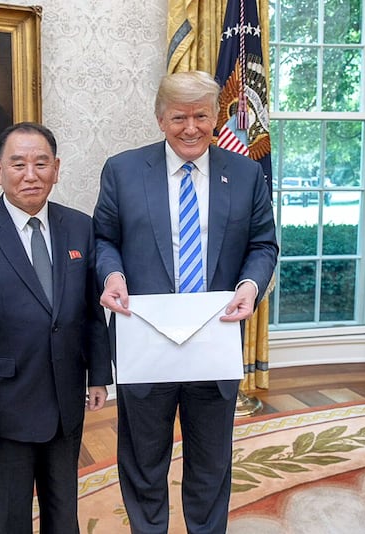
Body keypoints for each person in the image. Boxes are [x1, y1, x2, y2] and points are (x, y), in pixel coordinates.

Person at [93, 71, 278, 533]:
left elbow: (263, 245)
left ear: (217, 117)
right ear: (160, 119)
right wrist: (112, 275)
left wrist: (251, 287)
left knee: (211, 463)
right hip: (145, 341)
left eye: (201, 115)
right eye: (179, 117)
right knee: (143, 461)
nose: (191, 127)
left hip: (215, 342)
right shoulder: (123, 170)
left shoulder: (246, 172)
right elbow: (103, 239)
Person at [0, 122, 112, 533]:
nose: (30, 174)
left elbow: (90, 311)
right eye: (18, 164)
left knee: (63, 511)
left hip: (65, 401)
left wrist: (99, 376)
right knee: (7, 518)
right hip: (3, 408)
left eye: (41, 163)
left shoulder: (80, 227)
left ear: (57, 168)